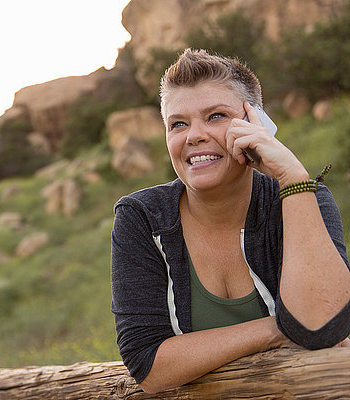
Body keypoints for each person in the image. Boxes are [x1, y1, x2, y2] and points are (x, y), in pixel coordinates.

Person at [110, 48, 350, 394]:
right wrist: (279, 328)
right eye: (178, 123)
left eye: (216, 116)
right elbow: (148, 365)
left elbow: (323, 326)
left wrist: (291, 175)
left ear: (256, 124)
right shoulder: (142, 218)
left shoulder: (302, 198)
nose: (194, 135)